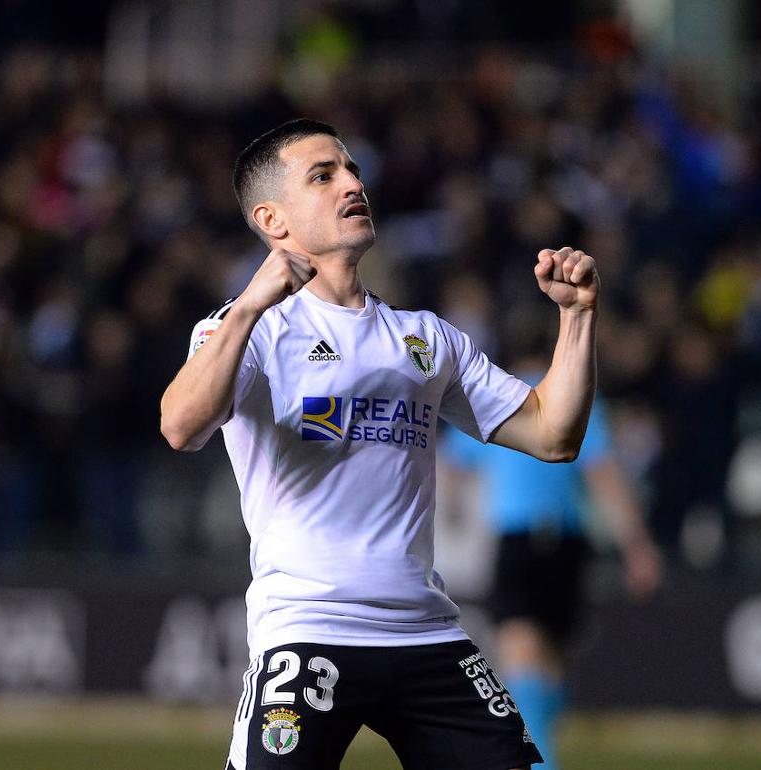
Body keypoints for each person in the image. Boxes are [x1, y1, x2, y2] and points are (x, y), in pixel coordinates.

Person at [159, 118, 600, 770]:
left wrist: (577, 315)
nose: (351, 183)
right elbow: (180, 424)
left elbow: (554, 434)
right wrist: (248, 307)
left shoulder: (426, 338)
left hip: (427, 633)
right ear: (272, 220)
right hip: (309, 632)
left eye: (352, 169)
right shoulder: (249, 330)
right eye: (324, 174)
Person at [441, 347, 662, 770]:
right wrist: (637, 545)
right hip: (568, 542)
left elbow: (453, 463)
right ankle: (541, 756)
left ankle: (540, 761)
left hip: (518, 538)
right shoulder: (578, 398)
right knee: (551, 660)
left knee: (521, 651)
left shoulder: (495, 394)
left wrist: (451, 512)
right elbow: (605, 476)